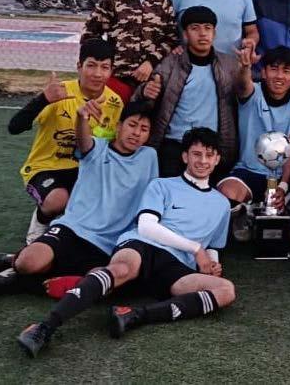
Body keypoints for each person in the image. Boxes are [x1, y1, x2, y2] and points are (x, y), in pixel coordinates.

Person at [17, 128, 235, 358]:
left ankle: (133, 315)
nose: (203, 161)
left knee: (225, 290)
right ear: (185, 157)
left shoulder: (222, 204)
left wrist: (212, 264)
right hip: (143, 246)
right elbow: (146, 226)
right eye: (196, 154)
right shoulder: (162, 185)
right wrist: (195, 248)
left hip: (176, 265)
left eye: (209, 155)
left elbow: (213, 245)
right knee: (121, 269)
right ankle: (44, 328)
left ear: (217, 159)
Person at [0, 101, 158, 295]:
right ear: (118, 126)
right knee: (27, 263)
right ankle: (17, 265)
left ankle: (24, 278)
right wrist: (82, 118)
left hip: (109, 242)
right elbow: (84, 141)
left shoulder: (149, 157)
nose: (137, 133)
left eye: (144, 129)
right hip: (73, 228)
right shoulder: (97, 148)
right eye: (132, 125)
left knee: (106, 281)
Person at [7, 38, 123, 244]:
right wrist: (43, 99)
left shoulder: (114, 102)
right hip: (47, 167)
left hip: (85, 170)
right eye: (91, 65)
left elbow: (106, 144)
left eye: (104, 67)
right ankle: (39, 225)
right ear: (79, 66)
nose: (97, 74)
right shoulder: (59, 93)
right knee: (58, 200)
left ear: (111, 70)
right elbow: (14, 127)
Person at [131, 6, 239, 179]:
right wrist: (145, 91)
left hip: (211, 147)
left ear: (214, 33)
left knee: (210, 196)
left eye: (207, 28)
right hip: (174, 145)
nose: (202, 34)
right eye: (195, 28)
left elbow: (250, 93)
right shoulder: (170, 63)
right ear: (185, 34)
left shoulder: (230, 65)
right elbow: (144, 97)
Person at [217, 46, 290, 219]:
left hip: (282, 177)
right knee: (227, 193)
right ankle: (240, 221)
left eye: (286, 71)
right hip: (248, 171)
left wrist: (283, 186)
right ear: (264, 73)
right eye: (273, 69)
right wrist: (245, 67)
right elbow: (243, 84)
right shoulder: (253, 93)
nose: (279, 76)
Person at [81, 0, 179, 104]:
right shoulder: (111, 0)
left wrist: (151, 62)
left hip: (151, 83)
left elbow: (172, 38)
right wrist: (104, 66)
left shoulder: (162, 3)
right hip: (116, 80)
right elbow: (89, 36)